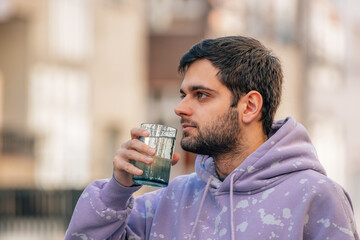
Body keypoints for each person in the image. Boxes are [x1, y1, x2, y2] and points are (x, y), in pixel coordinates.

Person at [65, 36, 359, 240]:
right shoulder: (171, 200)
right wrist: (117, 191)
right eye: (184, 94)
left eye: (201, 95)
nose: (180, 108)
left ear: (249, 106)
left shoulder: (316, 197)